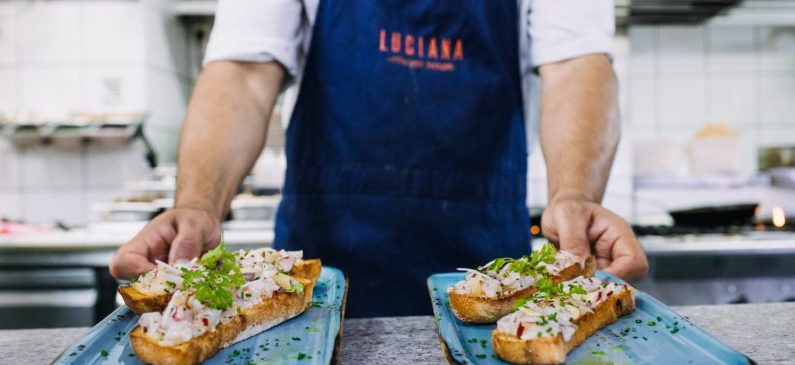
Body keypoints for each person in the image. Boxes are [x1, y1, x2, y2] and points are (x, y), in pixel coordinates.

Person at [110, 0, 649, 317]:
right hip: (316, 279)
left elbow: (577, 63)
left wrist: (575, 195)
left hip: (489, 268)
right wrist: (199, 204)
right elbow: (245, 71)